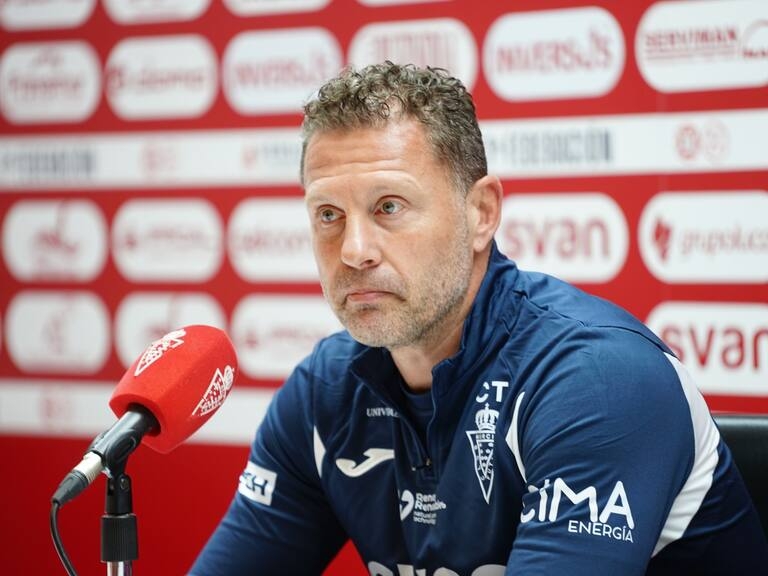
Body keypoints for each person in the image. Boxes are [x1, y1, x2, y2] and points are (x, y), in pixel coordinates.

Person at [190, 62, 768, 575]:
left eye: (389, 207)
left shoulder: (597, 377)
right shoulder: (324, 393)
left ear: (482, 213)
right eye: (328, 214)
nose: (354, 250)